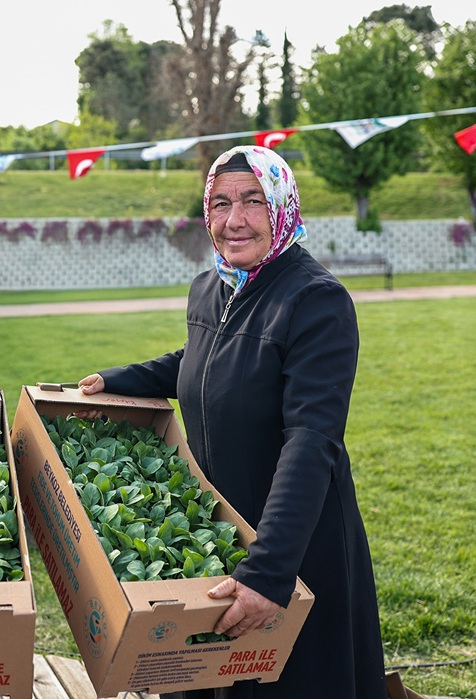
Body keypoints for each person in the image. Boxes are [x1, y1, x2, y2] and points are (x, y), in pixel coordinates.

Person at [78, 145, 387, 699]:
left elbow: (311, 440)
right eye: (220, 203)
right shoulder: (212, 285)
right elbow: (204, 360)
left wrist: (271, 573)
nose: (233, 219)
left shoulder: (316, 301)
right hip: (222, 530)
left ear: (282, 204)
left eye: (252, 201)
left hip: (294, 541)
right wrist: (124, 379)